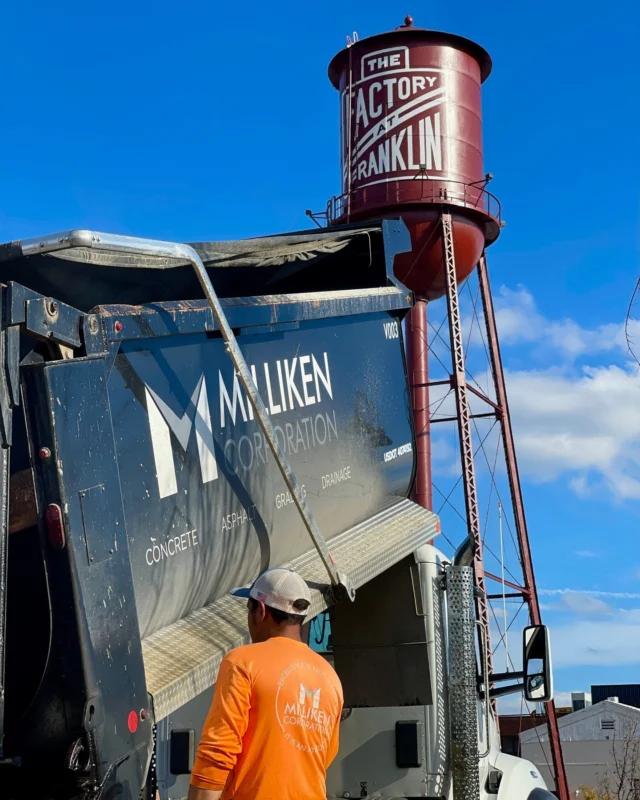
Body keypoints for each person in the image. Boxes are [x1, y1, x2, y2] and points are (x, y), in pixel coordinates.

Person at [188, 568, 344, 800]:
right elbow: (326, 754)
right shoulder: (330, 677)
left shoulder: (242, 662)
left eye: (248, 608)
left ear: (260, 610)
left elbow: (217, 753)